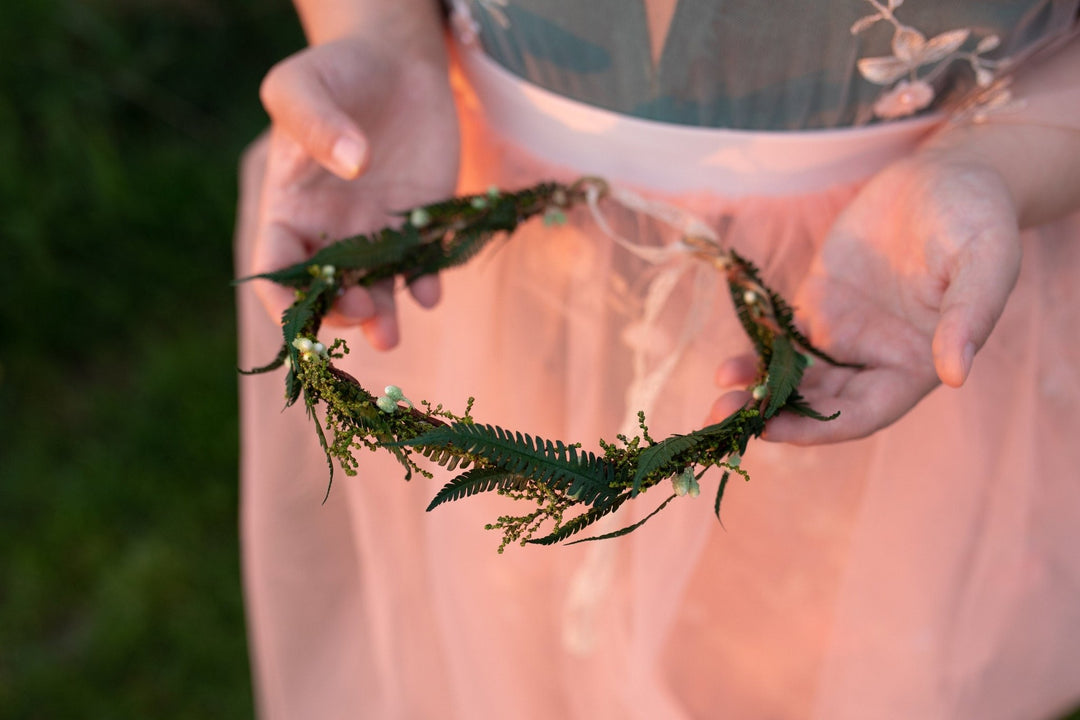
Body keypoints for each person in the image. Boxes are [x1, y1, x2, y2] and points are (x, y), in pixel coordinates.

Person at [235, 2, 1080, 718]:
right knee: (507, 624)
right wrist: (381, 35)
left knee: (816, 645)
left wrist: (997, 160)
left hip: (882, 275)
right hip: (481, 233)